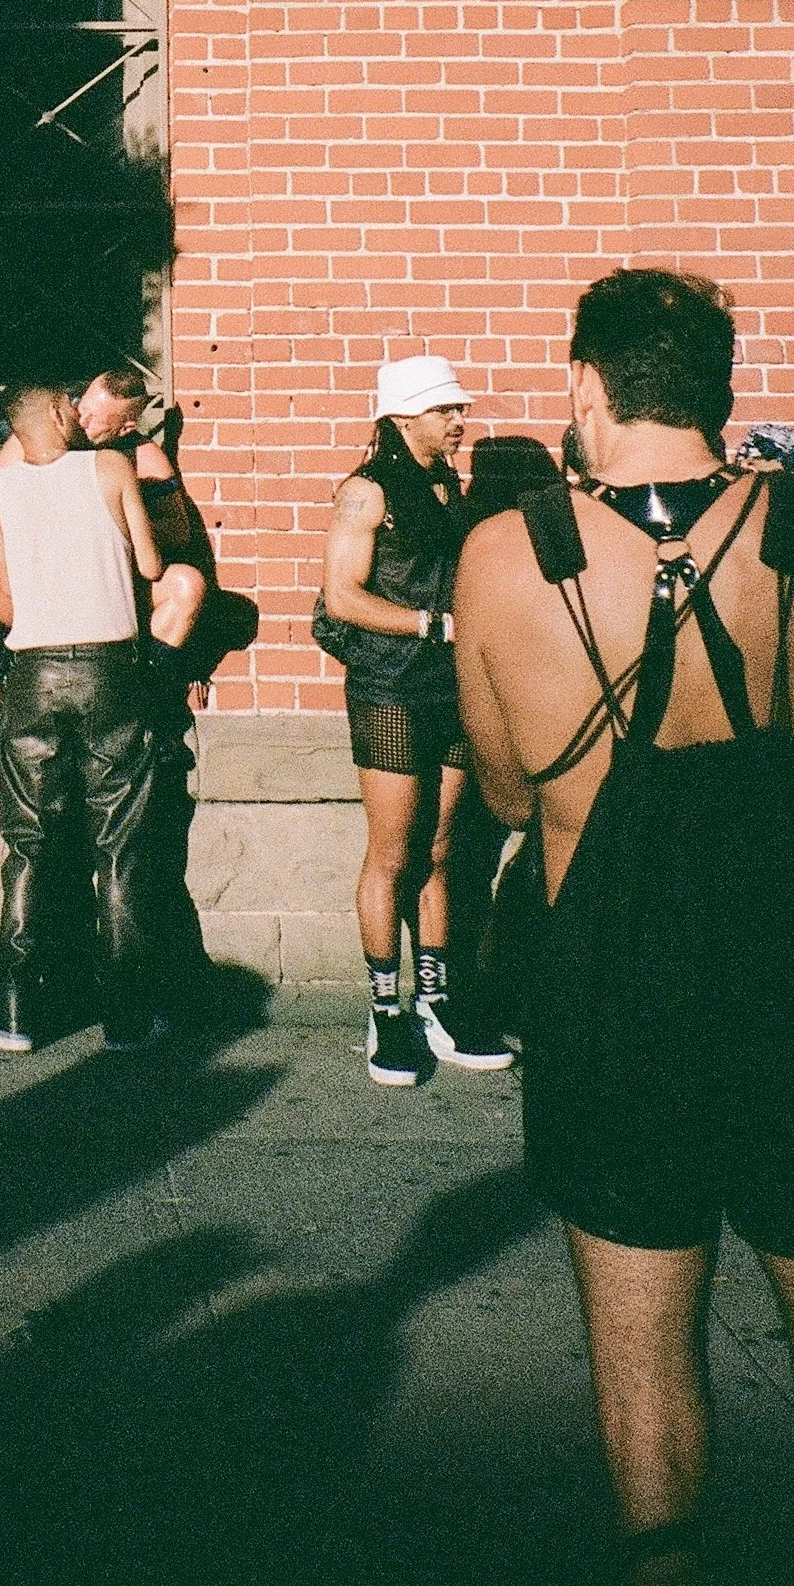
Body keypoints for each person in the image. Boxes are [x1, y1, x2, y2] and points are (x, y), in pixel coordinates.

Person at [452, 268, 794, 1586]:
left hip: (611, 996)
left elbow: (504, 793)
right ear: (720, 391)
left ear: (586, 385)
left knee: (642, 1350)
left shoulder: (505, 553)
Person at [318, 355, 513, 1086]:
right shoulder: (365, 492)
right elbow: (343, 595)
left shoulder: (447, 487)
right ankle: (386, 1010)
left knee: (441, 851)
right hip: (390, 688)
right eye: (443, 410)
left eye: (459, 410)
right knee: (392, 855)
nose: (458, 421)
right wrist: (434, 625)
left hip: (452, 688)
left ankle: (435, 1002)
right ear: (403, 417)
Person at [0, 383, 164, 1054]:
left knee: (29, 843)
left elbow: (10, 585)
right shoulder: (110, 468)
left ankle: (18, 1007)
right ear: (57, 413)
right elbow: (151, 563)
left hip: (33, 674)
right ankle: (128, 1013)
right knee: (121, 844)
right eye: (69, 401)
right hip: (109, 669)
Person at [0, 365, 209, 755]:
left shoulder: (142, 457)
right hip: (40, 588)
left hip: (110, 587)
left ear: (125, 428)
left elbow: (178, 533)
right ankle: (16, 693)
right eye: (80, 406)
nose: (80, 418)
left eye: (95, 418)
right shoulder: (31, 441)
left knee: (186, 585)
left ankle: (152, 703)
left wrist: (118, 521)